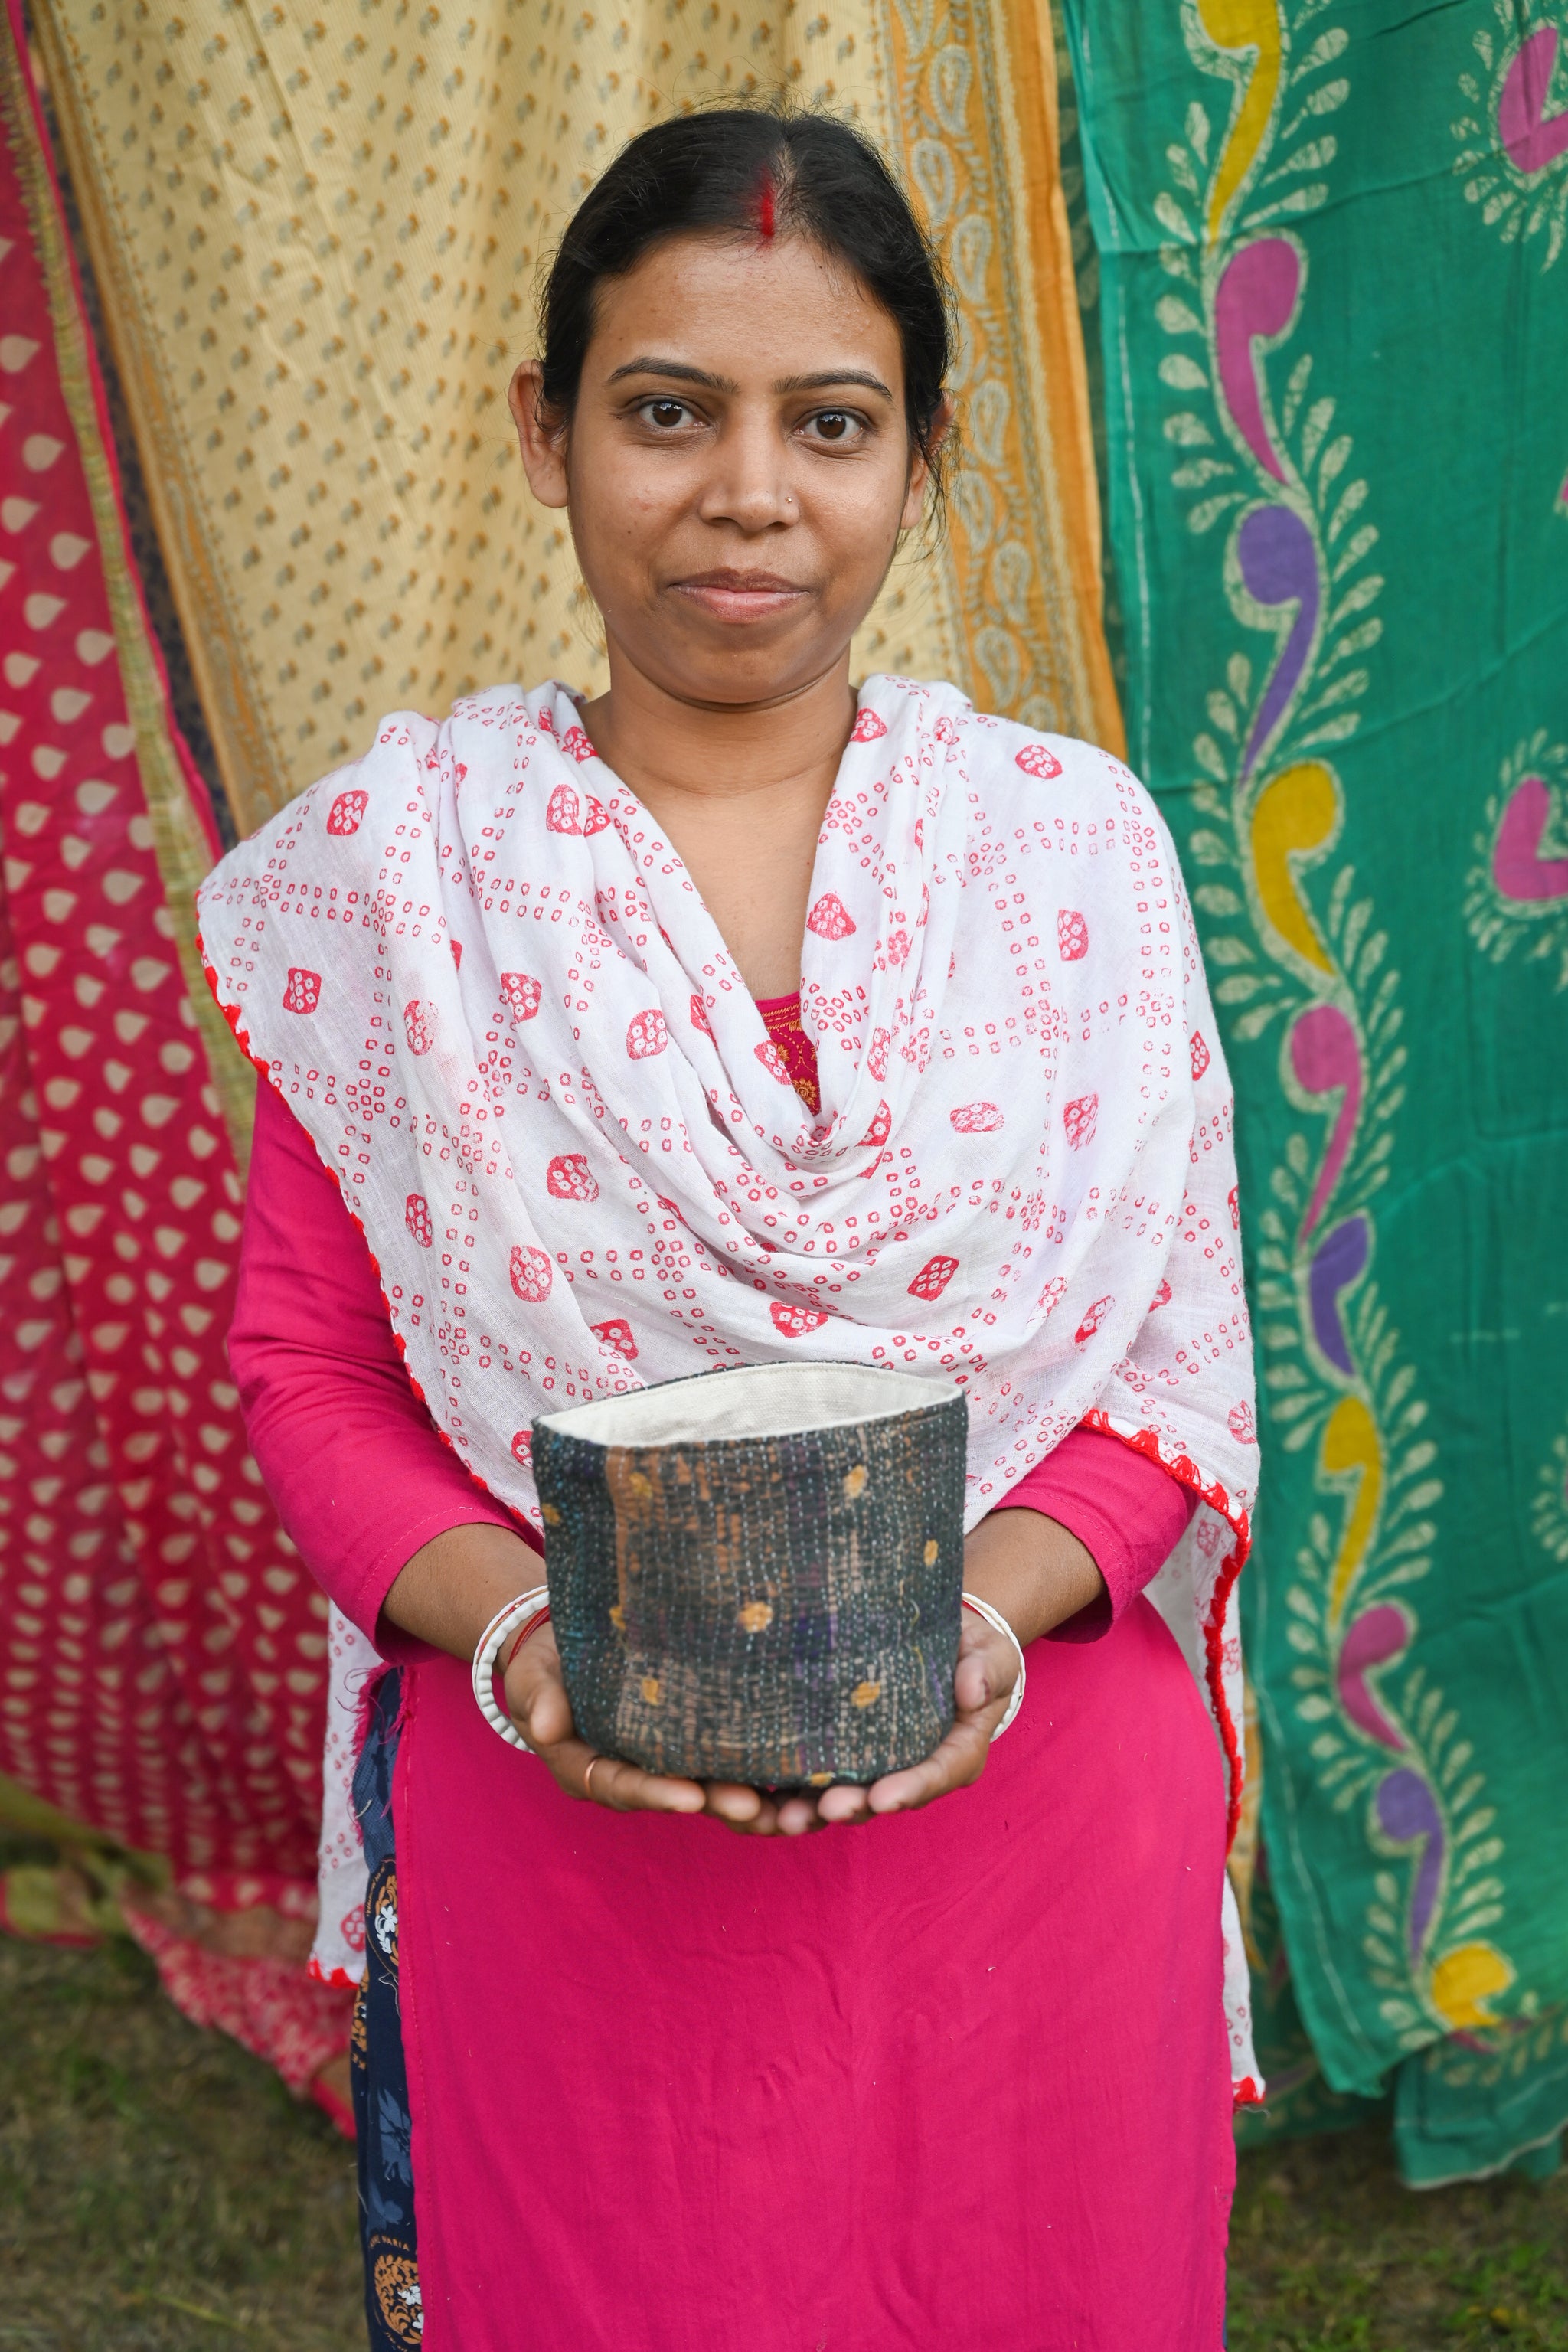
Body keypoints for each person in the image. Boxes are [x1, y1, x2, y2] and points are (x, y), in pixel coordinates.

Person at [202, 104, 1259, 2352]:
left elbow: (1172, 1374)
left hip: (1036, 1805)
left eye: (833, 422)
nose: (749, 491)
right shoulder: (397, 884)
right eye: (668, 411)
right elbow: (309, 1368)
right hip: (569, 1808)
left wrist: (975, 1620)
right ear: (546, 433)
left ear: (925, 456)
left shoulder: (1073, 860)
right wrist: (527, 1646)